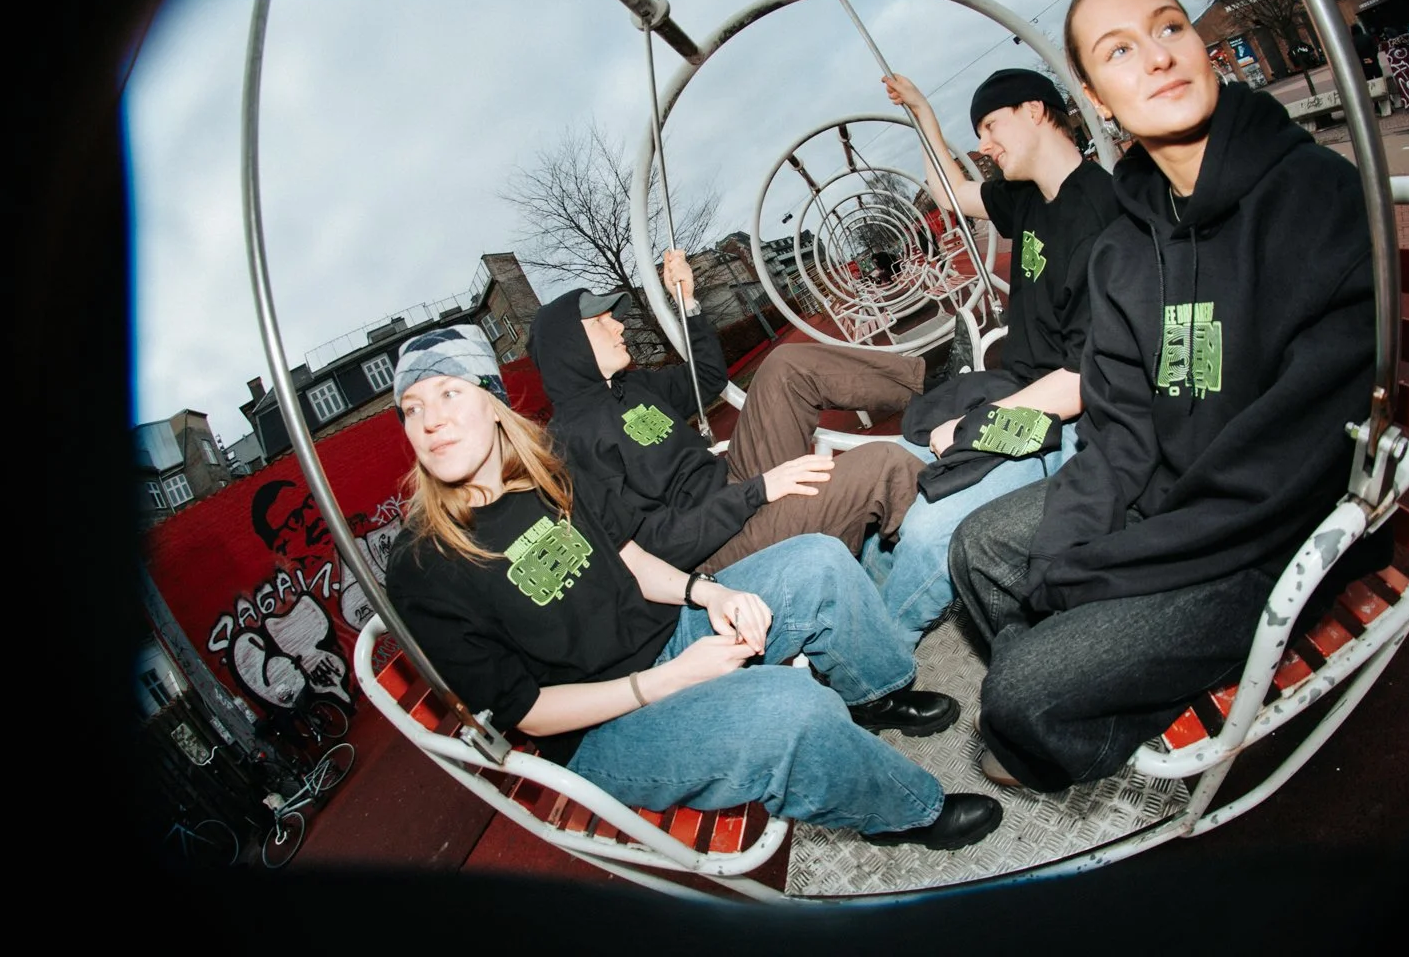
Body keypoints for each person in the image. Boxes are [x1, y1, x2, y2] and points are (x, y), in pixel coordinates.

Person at [948, 0, 1384, 792]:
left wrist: (1098, 572)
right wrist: (1077, 551)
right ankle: (1087, 682)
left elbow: (1281, 476)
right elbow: (1116, 435)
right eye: (1120, 50)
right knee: (979, 549)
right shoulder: (1124, 247)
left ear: (1200, 44)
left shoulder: (1315, 199)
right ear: (1096, 97)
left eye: (1169, 28)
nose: (1157, 56)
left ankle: (1073, 695)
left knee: (1019, 689)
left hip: (1270, 538)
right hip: (1168, 504)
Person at [382, 324, 1002, 850]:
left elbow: (629, 559)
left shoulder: (549, 475)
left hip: (670, 637)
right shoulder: (422, 566)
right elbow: (529, 716)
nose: (431, 420)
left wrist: (709, 594)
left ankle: (876, 695)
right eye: (412, 407)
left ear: (491, 400)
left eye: (448, 393)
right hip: (601, 732)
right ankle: (904, 812)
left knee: (817, 562)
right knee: (791, 708)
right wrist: (674, 678)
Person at [861, 67, 1122, 644]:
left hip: (1066, 423)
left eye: (990, 124)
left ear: (1034, 111)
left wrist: (974, 429)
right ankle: (857, 608)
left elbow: (1080, 383)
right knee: (884, 473)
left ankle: (873, 653)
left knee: (930, 528)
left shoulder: (1102, 215)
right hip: (1016, 389)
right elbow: (954, 193)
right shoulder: (1030, 197)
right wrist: (922, 111)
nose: (983, 143)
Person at [528, 249, 949, 574]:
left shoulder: (632, 388)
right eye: (601, 322)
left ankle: (933, 390)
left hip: (734, 483)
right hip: (714, 543)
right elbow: (655, 544)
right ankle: (949, 555)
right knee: (881, 464)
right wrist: (757, 492)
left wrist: (688, 303)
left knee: (786, 366)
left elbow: (707, 377)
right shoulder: (572, 442)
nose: (619, 326)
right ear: (569, 346)